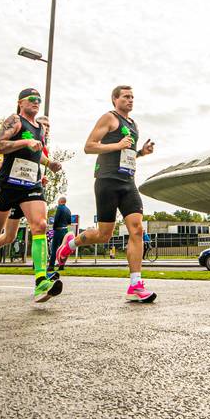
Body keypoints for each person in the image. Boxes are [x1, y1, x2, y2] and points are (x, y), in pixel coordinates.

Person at [54, 85, 156, 303]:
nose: (130, 100)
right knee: (103, 235)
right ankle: (69, 245)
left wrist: (141, 153)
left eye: (132, 97)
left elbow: (126, 155)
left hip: (128, 182)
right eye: (126, 97)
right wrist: (118, 144)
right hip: (107, 181)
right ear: (114, 99)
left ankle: (135, 285)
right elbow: (89, 146)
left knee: (137, 229)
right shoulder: (108, 118)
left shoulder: (133, 124)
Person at [0, 88, 62, 302]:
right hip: (9, 183)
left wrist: (48, 163)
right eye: (32, 99)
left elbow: (35, 154)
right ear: (20, 102)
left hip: (30, 184)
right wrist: (24, 142)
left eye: (38, 100)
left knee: (40, 225)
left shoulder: (40, 129)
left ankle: (41, 280)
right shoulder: (15, 121)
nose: (36, 102)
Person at [51, 196, 72, 271]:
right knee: (63, 249)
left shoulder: (59, 208)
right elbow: (69, 222)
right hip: (65, 231)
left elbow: (56, 219)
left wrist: (54, 228)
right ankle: (61, 265)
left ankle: (51, 266)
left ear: (60, 201)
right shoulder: (68, 210)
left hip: (58, 230)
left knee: (54, 248)